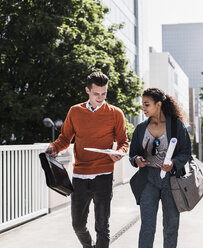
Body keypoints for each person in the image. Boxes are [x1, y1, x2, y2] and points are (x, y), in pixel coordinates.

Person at [46, 71, 129, 248]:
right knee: (78, 225)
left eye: (104, 93)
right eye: (96, 93)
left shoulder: (116, 113)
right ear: (87, 90)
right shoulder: (75, 111)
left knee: (102, 227)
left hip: (104, 175)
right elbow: (64, 139)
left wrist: (119, 153)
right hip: (80, 176)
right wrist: (54, 147)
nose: (100, 97)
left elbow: (123, 142)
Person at [129, 88, 191, 248]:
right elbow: (132, 154)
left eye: (147, 104)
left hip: (171, 181)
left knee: (171, 225)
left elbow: (185, 152)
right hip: (147, 180)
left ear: (159, 104)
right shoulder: (141, 128)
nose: (143, 108)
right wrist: (137, 160)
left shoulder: (176, 125)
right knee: (147, 226)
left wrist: (174, 163)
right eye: (142, 104)